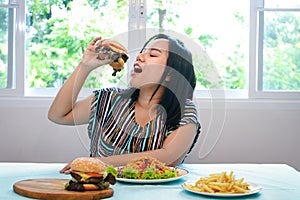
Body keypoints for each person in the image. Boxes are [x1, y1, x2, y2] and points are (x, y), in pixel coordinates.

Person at [48, 33, 201, 173]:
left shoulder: (184, 112)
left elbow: (168, 157)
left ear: (170, 74)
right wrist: (85, 66)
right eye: (143, 51)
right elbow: (57, 116)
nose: (140, 56)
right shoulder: (109, 99)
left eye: (152, 54)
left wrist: (98, 162)